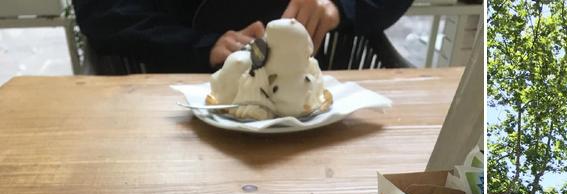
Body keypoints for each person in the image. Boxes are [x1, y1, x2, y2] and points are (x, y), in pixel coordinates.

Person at [73, 0, 414, 73]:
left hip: (307, 102)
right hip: (173, 83)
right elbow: (102, 13)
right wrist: (201, 47)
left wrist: (339, 5)